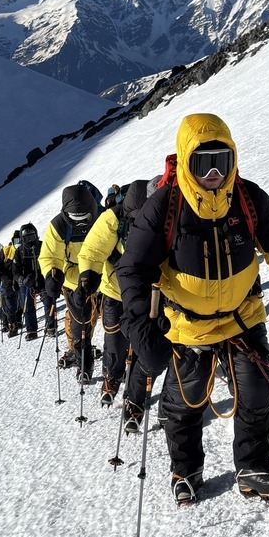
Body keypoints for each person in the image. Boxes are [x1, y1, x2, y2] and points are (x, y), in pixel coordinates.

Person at [118, 113, 269, 507]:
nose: (215, 173)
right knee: (185, 404)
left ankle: (253, 466)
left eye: (223, 161)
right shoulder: (164, 206)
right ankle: (186, 470)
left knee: (256, 394)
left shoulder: (248, 198)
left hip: (241, 316)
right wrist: (140, 323)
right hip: (188, 324)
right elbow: (133, 269)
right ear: (186, 161)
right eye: (203, 163)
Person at [75, 178, 152, 421]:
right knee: (115, 339)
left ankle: (136, 395)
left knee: (144, 346)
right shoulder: (113, 218)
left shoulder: (162, 216)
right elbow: (93, 250)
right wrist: (88, 274)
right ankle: (112, 377)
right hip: (115, 290)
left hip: (149, 294)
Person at [39, 183, 101, 381]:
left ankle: (115, 366)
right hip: (73, 279)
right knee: (79, 324)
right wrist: (52, 275)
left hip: (100, 276)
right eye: (75, 219)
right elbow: (50, 256)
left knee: (111, 321)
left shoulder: (103, 218)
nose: (80, 223)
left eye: (84, 218)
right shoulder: (58, 226)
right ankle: (84, 364)